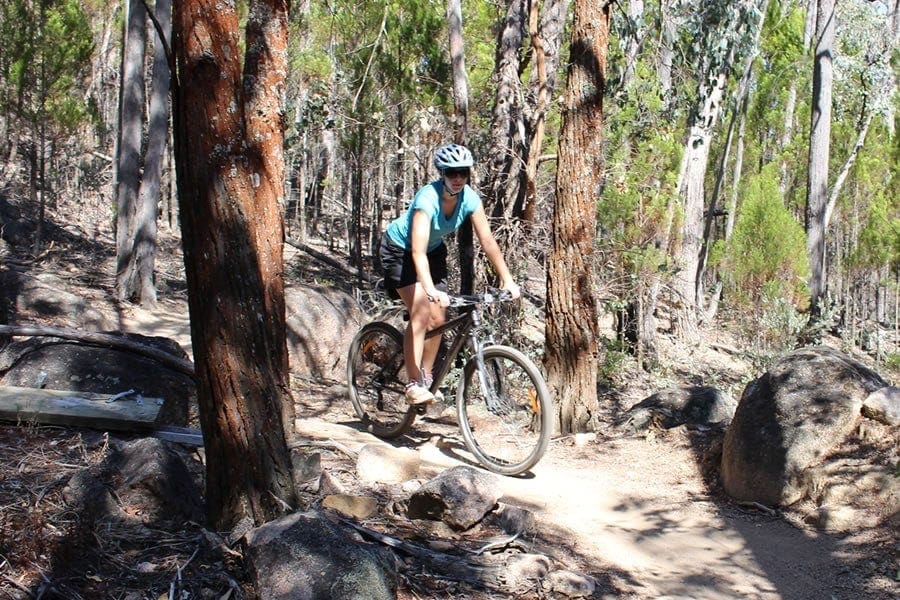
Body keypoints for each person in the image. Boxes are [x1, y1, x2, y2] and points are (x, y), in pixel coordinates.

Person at [379, 144, 521, 405]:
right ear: (442, 173)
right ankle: (412, 384)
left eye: (463, 173)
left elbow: (488, 241)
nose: (458, 178)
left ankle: (427, 377)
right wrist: (429, 290)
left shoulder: (469, 200)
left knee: (438, 318)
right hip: (399, 250)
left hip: (432, 252)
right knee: (422, 309)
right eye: (452, 172)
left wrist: (507, 278)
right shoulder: (427, 200)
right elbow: (416, 253)